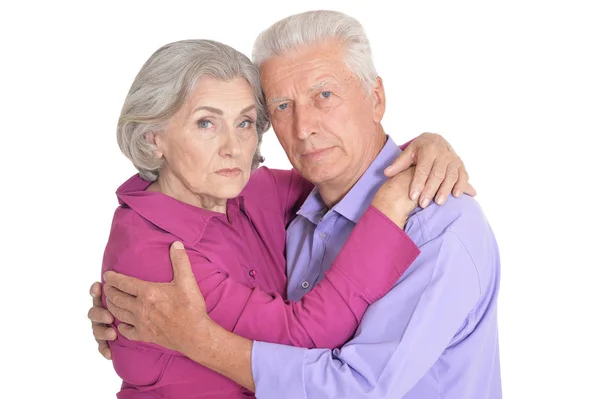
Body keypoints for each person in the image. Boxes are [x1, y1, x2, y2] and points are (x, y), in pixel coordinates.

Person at [93, 37, 473, 398]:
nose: (232, 148)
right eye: (205, 123)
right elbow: (304, 335)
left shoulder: (249, 191)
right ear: (153, 138)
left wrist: (423, 150)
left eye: (244, 123)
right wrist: (389, 207)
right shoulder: (154, 253)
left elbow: (344, 172)